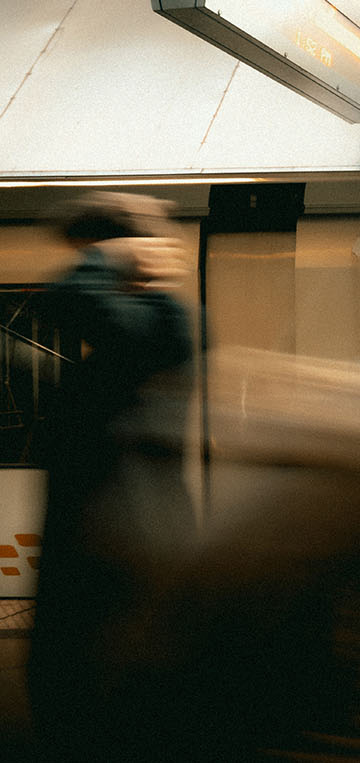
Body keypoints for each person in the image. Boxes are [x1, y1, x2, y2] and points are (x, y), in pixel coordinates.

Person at [26, 192, 196, 761]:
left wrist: (119, 252)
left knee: (107, 693)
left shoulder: (158, 326)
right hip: (110, 539)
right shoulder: (146, 326)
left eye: (86, 253)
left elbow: (68, 296)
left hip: (115, 543)